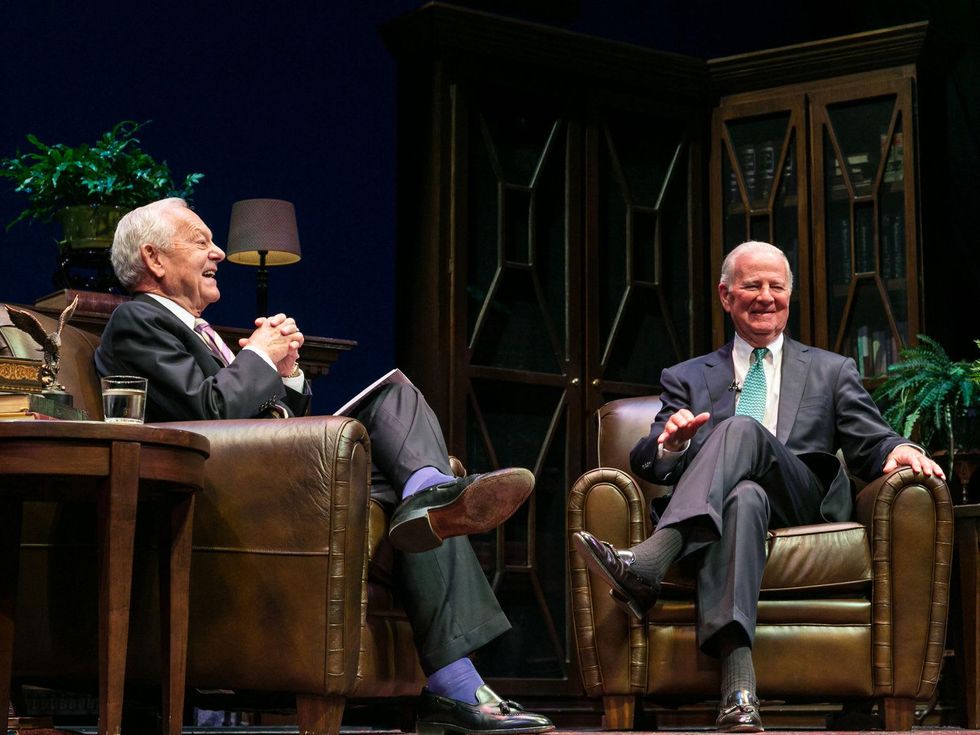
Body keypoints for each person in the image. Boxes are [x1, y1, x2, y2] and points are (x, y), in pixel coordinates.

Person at [94, 198, 554, 735]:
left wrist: (285, 375)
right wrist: (261, 356)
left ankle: (430, 496)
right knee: (399, 435)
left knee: (398, 406)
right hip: (222, 494)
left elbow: (271, 421)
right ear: (153, 258)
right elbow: (209, 411)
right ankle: (453, 679)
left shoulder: (201, 330)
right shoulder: (138, 321)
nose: (218, 251)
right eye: (201, 241)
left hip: (262, 479)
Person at [571, 240, 945, 732]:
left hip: (800, 500)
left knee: (739, 428)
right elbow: (649, 459)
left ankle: (652, 559)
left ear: (790, 294)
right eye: (752, 285)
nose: (765, 296)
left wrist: (900, 448)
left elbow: (869, 440)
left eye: (776, 286)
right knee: (744, 498)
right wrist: (675, 445)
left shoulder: (832, 371)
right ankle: (739, 693)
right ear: (727, 296)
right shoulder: (686, 376)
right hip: (727, 511)